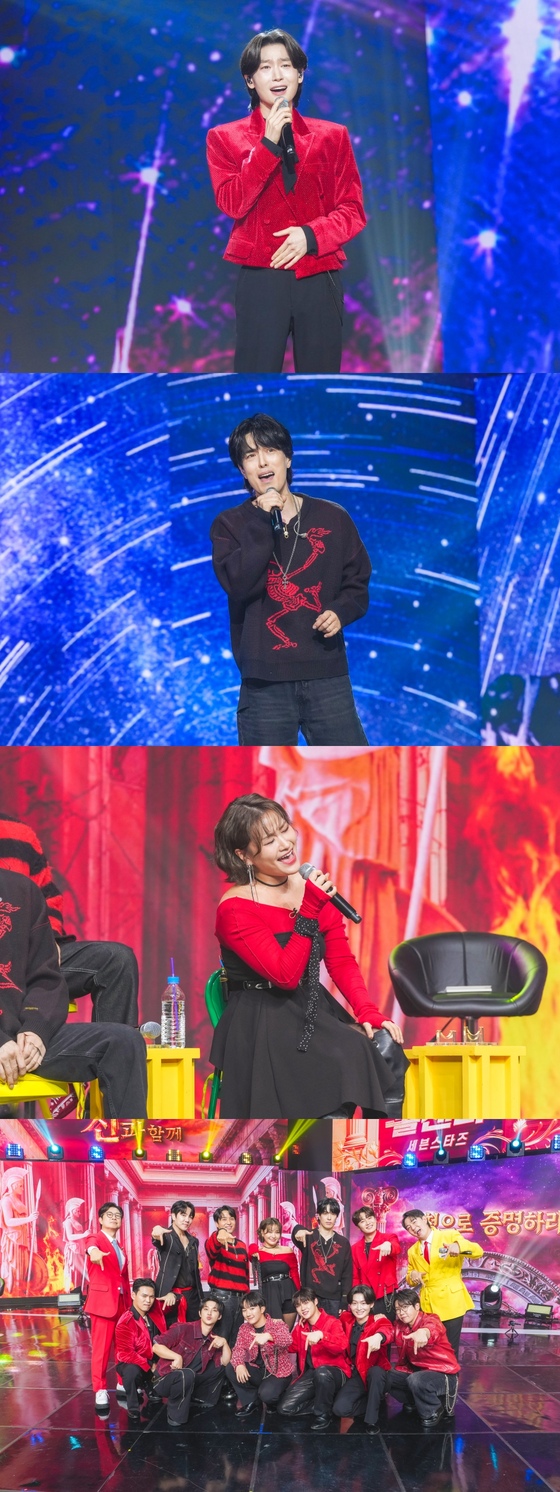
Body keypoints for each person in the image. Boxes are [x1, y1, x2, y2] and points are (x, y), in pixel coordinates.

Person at [211, 793, 406, 1118]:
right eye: (269, 841)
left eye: (284, 829)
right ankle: (323, 1140)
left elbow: (340, 960)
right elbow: (285, 977)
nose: (285, 844)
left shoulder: (309, 889)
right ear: (243, 855)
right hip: (263, 1017)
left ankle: (384, 1139)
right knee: (342, 1055)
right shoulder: (235, 909)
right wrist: (310, 908)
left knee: (386, 1046)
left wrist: (367, 1010)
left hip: (310, 1006)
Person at [206, 29, 366, 374]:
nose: (277, 75)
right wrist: (267, 144)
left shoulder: (332, 136)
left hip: (319, 272)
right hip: (262, 277)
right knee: (255, 378)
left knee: (320, 381)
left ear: (300, 74)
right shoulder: (224, 138)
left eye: (286, 65)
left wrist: (310, 235)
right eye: (265, 67)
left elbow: (353, 211)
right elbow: (232, 203)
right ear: (250, 80)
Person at [210, 413, 371, 747]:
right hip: (263, 684)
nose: (262, 462)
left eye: (270, 450)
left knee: (350, 767)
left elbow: (357, 582)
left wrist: (340, 611)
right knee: (263, 771)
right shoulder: (230, 525)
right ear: (242, 470)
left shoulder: (332, 517)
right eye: (250, 455)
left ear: (287, 458)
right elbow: (238, 584)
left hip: (327, 676)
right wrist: (260, 521)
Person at [0, 869, 148, 1116]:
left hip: (21, 1044)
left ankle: (124, 1140)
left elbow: (45, 977)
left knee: (125, 1041)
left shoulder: (22, 890)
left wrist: (37, 1029)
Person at [0, 812, 138, 1025]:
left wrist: (50, 940)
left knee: (117, 959)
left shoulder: (19, 834)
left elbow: (49, 899)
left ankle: (114, 1043)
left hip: (29, 961)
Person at [363, 1287, 460, 1434]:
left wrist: (423, 1333)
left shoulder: (431, 1319)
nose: (401, 1312)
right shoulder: (400, 1325)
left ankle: (434, 1409)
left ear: (417, 1306)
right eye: (398, 1309)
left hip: (443, 1373)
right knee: (384, 1374)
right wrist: (379, 1336)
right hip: (415, 1371)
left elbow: (433, 1328)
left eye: (405, 1307)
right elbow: (389, 1332)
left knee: (416, 1380)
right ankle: (414, 1400)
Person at [403, 1209, 484, 1356]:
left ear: (424, 1219)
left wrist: (459, 1247)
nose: (413, 1228)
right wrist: (413, 1275)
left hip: (451, 1301)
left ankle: (451, 1371)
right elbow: (410, 1278)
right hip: (428, 1304)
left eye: (414, 1222)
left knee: (449, 1348)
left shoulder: (449, 1235)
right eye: (408, 1227)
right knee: (430, 1349)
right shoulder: (412, 1251)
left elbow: (478, 1251)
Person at [152, 1293, 231, 1425]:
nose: (209, 1313)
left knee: (220, 1369)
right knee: (186, 1374)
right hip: (164, 1379)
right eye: (206, 1309)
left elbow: (225, 1362)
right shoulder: (183, 1328)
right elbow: (156, 1347)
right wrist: (176, 1356)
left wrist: (225, 1344)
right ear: (200, 1313)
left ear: (219, 1316)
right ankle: (175, 1416)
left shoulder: (213, 1338)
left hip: (189, 1378)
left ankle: (201, 1397)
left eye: (214, 1310)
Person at [277, 1287, 350, 1429]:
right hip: (313, 1373)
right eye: (298, 1305)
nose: (302, 1308)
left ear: (315, 1301)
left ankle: (323, 1414)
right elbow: (290, 1346)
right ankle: (325, 1403)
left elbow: (342, 1345)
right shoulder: (301, 1327)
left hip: (335, 1372)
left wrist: (322, 1336)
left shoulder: (332, 1322)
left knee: (322, 1373)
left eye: (306, 1302)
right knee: (284, 1408)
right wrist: (271, 1337)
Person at [84, 1202, 131, 1410]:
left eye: (117, 1215)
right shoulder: (96, 1239)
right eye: (109, 1214)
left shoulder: (119, 1247)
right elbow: (90, 1245)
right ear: (101, 1219)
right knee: (101, 1350)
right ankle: (100, 1389)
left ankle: (122, 1382)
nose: (114, 1217)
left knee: (123, 1347)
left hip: (122, 1304)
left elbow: (122, 1277)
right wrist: (93, 1251)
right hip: (103, 1304)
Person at [225, 1289, 295, 1416]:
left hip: (278, 1373)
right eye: (244, 1310)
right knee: (231, 1368)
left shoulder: (277, 1324)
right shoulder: (244, 1328)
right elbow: (238, 1349)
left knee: (267, 1395)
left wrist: (270, 1337)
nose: (248, 1313)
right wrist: (239, 1364)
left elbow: (287, 1340)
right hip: (258, 1371)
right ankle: (251, 1401)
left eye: (252, 1308)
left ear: (262, 1309)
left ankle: (274, 1398)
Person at [332, 1285, 393, 1421]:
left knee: (376, 1372)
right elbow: (331, 1326)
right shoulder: (346, 1319)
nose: (359, 1308)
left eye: (364, 1303)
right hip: (356, 1375)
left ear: (371, 1304)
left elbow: (388, 1331)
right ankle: (373, 1401)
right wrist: (307, 1317)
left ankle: (371, 1419)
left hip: (376, 1377)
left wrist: (379, 1337)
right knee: (339, 1408)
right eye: (354, 1303)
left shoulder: (379, 1321)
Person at [114, 1278, 167, 1416]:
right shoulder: (125, 1322)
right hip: (132, 1362)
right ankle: (132, 1406)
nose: (148, 1301)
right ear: (133, 1295)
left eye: (151, 1297)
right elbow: (126, 1354)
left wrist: (174, 1295)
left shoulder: (154, 1313)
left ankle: (149, 1383)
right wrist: (150, 1365)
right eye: (144, 1296)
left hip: (154, 1358)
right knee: (131, 1371)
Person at [292, 1198, 352, 1316]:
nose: (329, 1218)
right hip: (310, 1298)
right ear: (318, 1215)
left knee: (332, 1328)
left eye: (332, 1214)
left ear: (337, 1217)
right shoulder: (308, 1236)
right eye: (325, 1213)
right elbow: (296, 1233)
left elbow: (347, 1274)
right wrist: (298, 1230)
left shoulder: (343, 1242)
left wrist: (344, 1301)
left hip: (334, 1299)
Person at [151, 1200, 204, 1324]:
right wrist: (156, 1232)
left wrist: (201, 1297)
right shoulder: (165, 1236)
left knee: (193, 1331)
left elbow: (195, 1271)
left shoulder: (194, 1241)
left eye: (190, 1216)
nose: (187, 1220)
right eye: (183, 1215)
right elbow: (156, 1238)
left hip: (193, 1296)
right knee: (170, 1331)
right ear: (174, 1216)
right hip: (169, 1295)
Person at [205, 1205, 250, 1343]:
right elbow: (212, 1247)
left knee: (236, 1341)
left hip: (240, 1300)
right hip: (222, 1298)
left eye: (231, 1218)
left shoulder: (242, 1245)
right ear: (217, 1223)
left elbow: (245, 1274)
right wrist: (220, 1234)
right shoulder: (214, 1241)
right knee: (220, 1340)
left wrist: (246, 1299)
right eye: (224, 1219)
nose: (229, 1222)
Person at [249, 1217, 300, 1325]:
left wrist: (299, 1296)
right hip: (269, 1292)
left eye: (277, 1232)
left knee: (287, 1332)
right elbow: (250, 1253)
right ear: (262, 1233)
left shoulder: (288, 1250)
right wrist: (253, 1248)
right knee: (274, 1330)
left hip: (289, 1291)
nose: (273, 1235)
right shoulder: (257, 1252)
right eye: (269, 1232)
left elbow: (295, 1274)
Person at [351, 1204, 400, 1316]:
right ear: (358, 1227)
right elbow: (355, 1277)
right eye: (362, 1221)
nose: (368, 1222)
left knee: (387, 1325)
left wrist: (389, 1245)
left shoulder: (389, 1238)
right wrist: (358, 1298)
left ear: (375, 1219)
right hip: (366, 1297)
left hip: (386, 1295)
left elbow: (396, 1248)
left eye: (369, 1218)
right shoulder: (354, 1248)